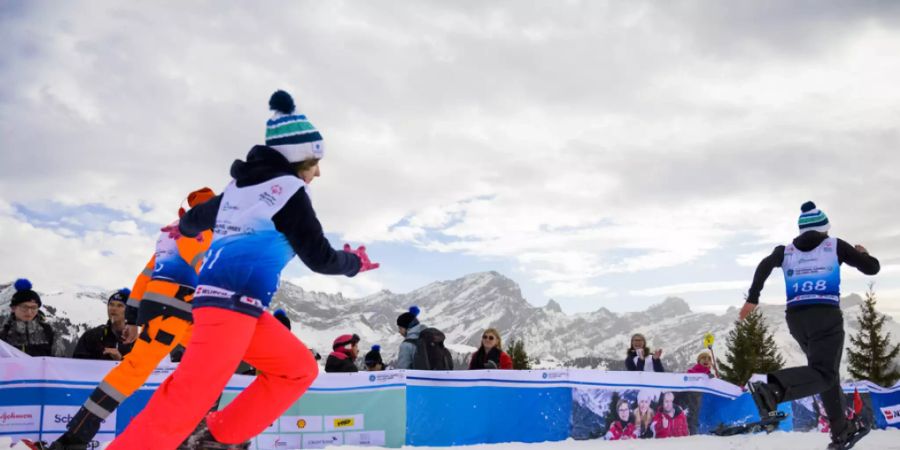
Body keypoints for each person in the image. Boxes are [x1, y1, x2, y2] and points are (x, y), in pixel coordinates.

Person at [109, 90, 379, 450]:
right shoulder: (290, 192)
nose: (318, 170)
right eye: (314, 161)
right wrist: (353, 263)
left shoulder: (238, 188)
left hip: (242, 309)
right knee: (186, 399)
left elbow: (196, 219)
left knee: (297, 368)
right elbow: (319, 257)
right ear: (297, 158)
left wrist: (183, 229)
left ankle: (218, 437)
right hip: (226, 309)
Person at [49, 188, 216, 450]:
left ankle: (77, 436)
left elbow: (145, 275)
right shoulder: (201, 232)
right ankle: (74, 439)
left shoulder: (170, 236)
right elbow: (210, 270)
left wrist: (133, 319)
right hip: (177, 312)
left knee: (210, 367)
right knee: (137, 370)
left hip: (174, 314)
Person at [742, 201, 878, 450]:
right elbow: (872, 269)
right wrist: (864, 254)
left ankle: (841, 431)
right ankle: (773, 389)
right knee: (825, 374)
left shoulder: (786, 250)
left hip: (796, 319)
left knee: (825, 374)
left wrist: (753, 297)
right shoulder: (834, 245)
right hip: (825, 315)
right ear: (824, 228)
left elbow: (764, 265)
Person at [0, 279, 58, 357]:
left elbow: (59, 360)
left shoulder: (49, 332)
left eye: (34, 307)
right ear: (13, 308)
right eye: (24, 307)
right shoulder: (3, 333)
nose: (29, 312)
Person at [72, 289, 134, 361]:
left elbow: (143, 370)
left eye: (120, 306)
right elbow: (76, 365)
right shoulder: (92, 336)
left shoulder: (137, 342)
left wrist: (120, 360)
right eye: (111, 304)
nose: (113, 309)